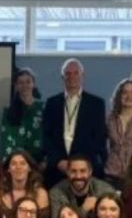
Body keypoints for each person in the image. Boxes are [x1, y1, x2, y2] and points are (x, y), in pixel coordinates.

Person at [42, 58, 107, 187]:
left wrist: (79, 164)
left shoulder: (96, 103)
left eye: (76, 73)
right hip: (57, 169)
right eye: (68, 73)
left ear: (83, 76)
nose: (72, 77)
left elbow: (99, 138)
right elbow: (45, 136)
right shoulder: (52, 103)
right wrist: (58, 161)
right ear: (62, 77)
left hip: (85, 170)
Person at [48, 154, 115, 218]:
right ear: (67, 172)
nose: (78, 176)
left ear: (90, 172)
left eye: (83, 171)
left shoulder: (105, 190)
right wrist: (83, 210)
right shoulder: (56, 193)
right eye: (73, 171)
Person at [0, 68, 44, 162]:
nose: (25, 85)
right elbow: (6, 141)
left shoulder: (43, 108)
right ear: (16, 86)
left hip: (40, 160)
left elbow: (49, 136)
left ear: (33, 84)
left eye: (28, 82)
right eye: (21, 82)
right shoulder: (9, 111)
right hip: (17, 162)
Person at [0, 150, 49, 218]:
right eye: (13, 164)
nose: (18, 167)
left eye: (23, 163)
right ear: (8, 169)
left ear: (29, 168)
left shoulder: (40, 194)